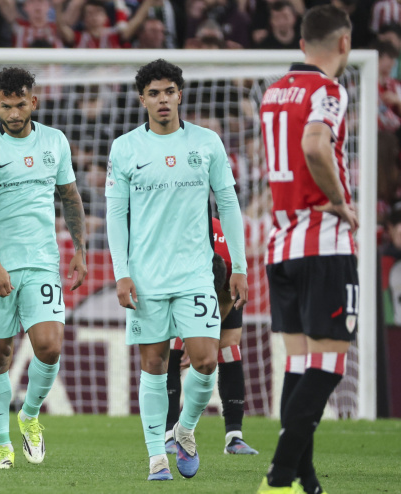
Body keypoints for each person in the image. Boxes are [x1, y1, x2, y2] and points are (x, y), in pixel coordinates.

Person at [105, 58, 248, 481]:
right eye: (154, 93)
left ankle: (184, 430)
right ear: (142, 99)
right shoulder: (126, 148)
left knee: (205, 361)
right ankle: (156, 457)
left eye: (169, 91)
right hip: (145, 276)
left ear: (180, 95)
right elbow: (115, 215)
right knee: (153, 365)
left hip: (196, 274)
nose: (162, 99)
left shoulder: (206, 143)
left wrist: (239, 266)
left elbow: (228, 204)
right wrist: (121, 271)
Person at [258, 6, 358, 494]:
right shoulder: (328, 89)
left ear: (301, 44)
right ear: (344, 43)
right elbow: (316, 146)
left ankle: (306, 480)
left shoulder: (273, 92)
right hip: (323, 242)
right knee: (329, 367)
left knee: (298, 367)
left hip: (281, 244)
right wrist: (339, 200)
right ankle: (278, 479)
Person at [0, 67, 87, 470]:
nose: (14, 113)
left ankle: (30, 414)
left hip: (41, 262)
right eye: (6, 106)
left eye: (21, 104)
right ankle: (1, 445)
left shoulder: (55, 141)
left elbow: (70, 197)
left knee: (50, 347)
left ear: (33, 102)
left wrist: (80, 250)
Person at [164, 217, 258, 456]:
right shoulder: (175, 255)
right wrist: (189, 338)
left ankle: (234, 437)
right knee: (173, 344)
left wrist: (202, 339)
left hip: (225, 287)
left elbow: (225, 302)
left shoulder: (229, 262)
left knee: (229, 348)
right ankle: (169, 434)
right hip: (180, 289)